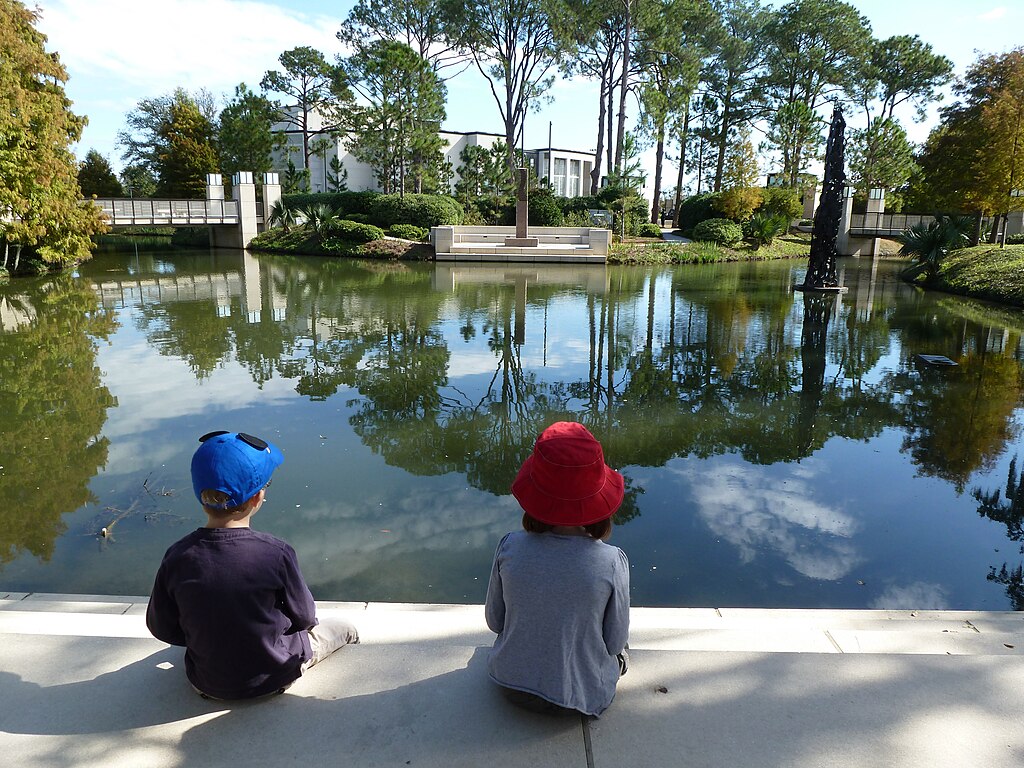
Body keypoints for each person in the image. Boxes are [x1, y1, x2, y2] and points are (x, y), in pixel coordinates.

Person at [146, 430, 358, 700]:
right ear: (258, 498)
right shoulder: (276, 553)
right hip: (275, 676)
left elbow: (161, 628)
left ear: (200, 494)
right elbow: (304, 618)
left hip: (206, 683)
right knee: (344, 627)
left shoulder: (177, 556)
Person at [484, 421, 630, 717]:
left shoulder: (509, 546)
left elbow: (495, 622)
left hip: (512, 686)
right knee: (621, 646)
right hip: (581, 699)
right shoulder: (612, 561)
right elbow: (613, 642)